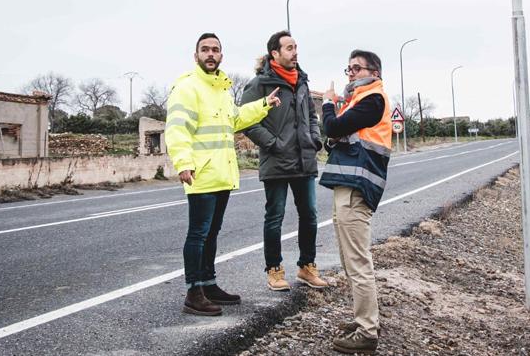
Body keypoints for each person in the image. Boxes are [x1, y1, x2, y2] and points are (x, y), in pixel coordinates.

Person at [165, 32, 281, 317]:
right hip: (200, 173)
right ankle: (194, 292)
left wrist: (263, 104)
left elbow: (235, 120)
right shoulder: (188, 87)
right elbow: (177, 128)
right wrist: (183, 163)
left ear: (221, 55)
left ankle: (209, 284)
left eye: (215, 49)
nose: (210, 54)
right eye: (205, 49)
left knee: (212, 233)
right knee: (198, 234)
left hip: (221, 172)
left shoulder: (222, 89)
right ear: (196, 56)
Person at [240, 31, 329, 291]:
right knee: (275, 217)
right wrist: (273, 143)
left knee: (310, 216)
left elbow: (312, 116)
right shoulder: (260, 84)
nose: (295, 52)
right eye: (289, 48)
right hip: (277, 161)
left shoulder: (302, 81)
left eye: (296, 47)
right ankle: (275, 271)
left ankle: (307, 267)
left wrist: (314, 138)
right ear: (275, 54)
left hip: (304, 160)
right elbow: (247, 120)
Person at [319, 49, 392, 354]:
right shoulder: (361, 100)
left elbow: (333, 128)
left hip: (356, 188)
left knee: (358, 261)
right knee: (351, 260)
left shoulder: (373, 99)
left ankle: (367, 330)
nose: (350, 73)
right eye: (348, 68)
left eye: (356, 68)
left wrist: (327, 103)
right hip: (348, 186)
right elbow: (337, 137)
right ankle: (364, 319)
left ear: (373, 72)